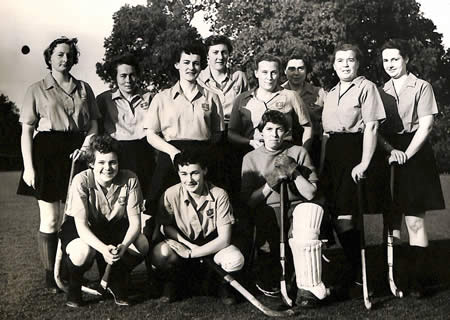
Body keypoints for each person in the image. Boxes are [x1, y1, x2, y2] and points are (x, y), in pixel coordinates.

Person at [16, 37, 99, 292]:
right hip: (46, 155)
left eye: (69, 55)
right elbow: (26, 132)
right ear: (49, 57)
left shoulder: (84, 88)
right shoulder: (36, 89)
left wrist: (86, 147)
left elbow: (94, 124)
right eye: (59, 54)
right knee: (50, 220)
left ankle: (71, 271)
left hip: (78, 154)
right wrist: (29, 168)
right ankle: (50, 275)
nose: (65, 59)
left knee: (76, 218)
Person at [241, 109, 329, 308]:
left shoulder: (298, 151)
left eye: (279, 129)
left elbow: (310, 194)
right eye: (269, 129)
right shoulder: (251, 158)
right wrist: (271, 181)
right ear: (260, 132)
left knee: (307, 217)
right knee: (272, 253)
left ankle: (308, 288)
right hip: (268, 209)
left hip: (297, 206)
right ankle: (276, 279)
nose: (274, 134)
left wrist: (294, 171)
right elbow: (249, 201)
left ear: (286, 132)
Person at [378, 39, 445, 298]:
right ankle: (394, 277)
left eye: (395, 59)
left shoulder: (422, 86)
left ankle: (419, 279)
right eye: (386, 60)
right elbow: (375, 127)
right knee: (391, 221)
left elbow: (426, 125)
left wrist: (406, 153)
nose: (390, 64)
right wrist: (390, 151)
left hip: (415, 153)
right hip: (388, 153)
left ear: (405, 59)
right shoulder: (379, 90)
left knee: (414, 221)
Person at [320, 43, 386, 297]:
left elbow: (371, 127)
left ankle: (358, 272)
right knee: (332, 212)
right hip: (333, 155)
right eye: (340, 60)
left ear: (358, 64)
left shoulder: (366, 87)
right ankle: (356, 271)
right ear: (334, 64)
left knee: (345, 215)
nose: (345, 64)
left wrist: (365, 162)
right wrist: (323, 166)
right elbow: (327, 134)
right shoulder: (331, 91)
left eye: (350, 60)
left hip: (355, 152)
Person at [59, 135, 149, 307]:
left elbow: (135, 224)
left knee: (141, 244)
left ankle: (116, 278)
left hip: (113, 227)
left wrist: (123, 246)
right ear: (91, 163)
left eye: (112, 162)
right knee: (82, 252)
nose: (107, 168)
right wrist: (102, 249)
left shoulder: (130, 178)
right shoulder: (81, 180)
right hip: (83, 227)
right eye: (101, 163)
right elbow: (82, 226)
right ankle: (74, 284)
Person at [151, 150, 245, 305]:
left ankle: (223, 286)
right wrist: (188, 246)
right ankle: (172, 285)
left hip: (213, 245)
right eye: (184, 174)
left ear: (205, 171)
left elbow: (224, 239)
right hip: (185, 244)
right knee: (161, 253)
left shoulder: (219, 194)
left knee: (235, 259)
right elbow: (165, 227)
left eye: (194, 173)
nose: (189, 179)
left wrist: (193, 253)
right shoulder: (171, 193)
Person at [144, 41, 224, 215]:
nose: (191, 67)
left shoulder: (212, 97)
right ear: (177, 64)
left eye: (196, 63)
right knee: (157, 204)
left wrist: (203, 152)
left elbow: (218, 133)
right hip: (171, 155)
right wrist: (173, 152)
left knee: (209, 202)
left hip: (202, 156)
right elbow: (150, 134)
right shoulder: (162, 97)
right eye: (186, 62)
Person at [96, 53, 154, 199]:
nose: (128, 80)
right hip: (117, 151)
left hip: (144, 151)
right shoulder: (104, 99)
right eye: (123, 76)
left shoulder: (150, 97)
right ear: (115, 77)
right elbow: (97, 129)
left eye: (132, 75)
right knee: (119, 197)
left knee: (144, 197)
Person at [229, 54, 312, 152]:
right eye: (264, 72)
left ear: (279, 73)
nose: (269, 77)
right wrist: (249, 142)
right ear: (256, 73)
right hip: (252, 153)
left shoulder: (291, 96)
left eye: (273, 72)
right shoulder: (242, 99)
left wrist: (303, 153)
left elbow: (307, 127)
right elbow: (231, 133)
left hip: (284, 153)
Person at [282, 53, 327, 167]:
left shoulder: (319, 93)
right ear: (285, 71)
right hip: (284, 146)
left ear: (306, 71)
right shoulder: (278, 92)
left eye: (300, 69)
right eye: (292, 69)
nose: (296, 73)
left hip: (313, 147)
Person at [198, 35, 248, 124]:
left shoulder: (239, 77)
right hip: (209, 129)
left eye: (224, 52)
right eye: (215, 52)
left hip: (234, 129)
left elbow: (248, 107)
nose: (220, 57)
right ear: (207, 55)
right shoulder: (198, 79)